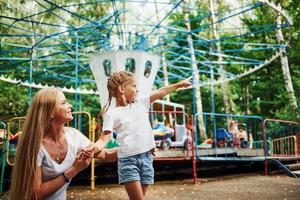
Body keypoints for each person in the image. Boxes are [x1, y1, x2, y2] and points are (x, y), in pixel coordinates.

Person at [93, 71, 191, 200]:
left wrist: (179, 85)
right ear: (121, 89)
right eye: (133, 86)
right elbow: (103, 139)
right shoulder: (111, 114)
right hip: (128, 161)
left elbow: (161, 92)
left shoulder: (140, 103)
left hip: (147, 158)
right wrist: (91, 148)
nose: (137, 89)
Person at [9, 88, 98, 200]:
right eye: (64, 102)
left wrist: (112, 136)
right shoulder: (36, 145)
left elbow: (104, 154)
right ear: (50, 113)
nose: (70, 105)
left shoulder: (73, 135)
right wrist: (73, 170)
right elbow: (34, 194)